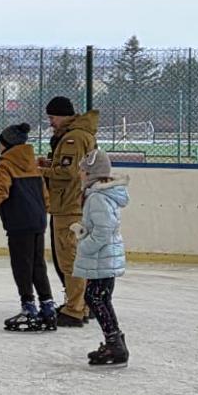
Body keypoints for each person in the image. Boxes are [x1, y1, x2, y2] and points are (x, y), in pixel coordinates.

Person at [0, 122, 57, 333]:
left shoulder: (5, 164)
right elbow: (44, 194)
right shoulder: (32, 163)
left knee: (22, 265)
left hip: (20, 222)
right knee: (38, 265)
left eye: (0, 143)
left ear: (7, 144)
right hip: (38, 221)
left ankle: (29, 307)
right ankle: (48, 307)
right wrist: (44, 212)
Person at [42, 96, 98, 327]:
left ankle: (74, 308)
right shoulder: (82, 134)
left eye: (53, 117)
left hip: (68, 205)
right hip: (76, 203)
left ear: (63, 115)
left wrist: (40, 170)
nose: (51, 122)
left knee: (69, 258)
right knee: (75, 256)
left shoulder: (73, 138)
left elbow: (67, 172)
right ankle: (80, 304)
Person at [74, 151, 130, 366]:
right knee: (100, 298)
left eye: (81, 169)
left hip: (102, 257)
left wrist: (84, 246)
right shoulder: (100, 194)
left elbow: (103, 230)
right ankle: (115, 342)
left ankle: (115, 344)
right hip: (105, 256)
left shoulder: (97, 196)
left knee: (95, 298)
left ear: (90, 173)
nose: (79, 173)